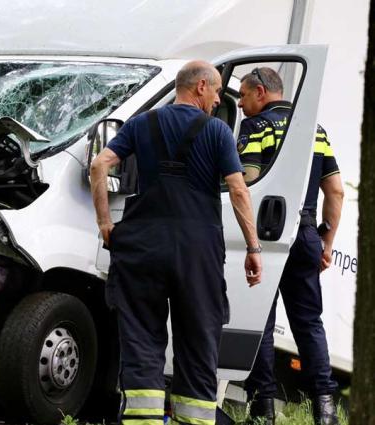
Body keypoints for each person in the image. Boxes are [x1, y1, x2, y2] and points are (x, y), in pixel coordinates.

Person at [90, 60, 262, 425]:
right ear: (200, 86)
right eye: (216, 91)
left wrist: (106, 223)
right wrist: (253, 248)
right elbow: (237, 190)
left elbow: (99, 166)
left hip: (141, 249)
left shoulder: (141, 123)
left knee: (141, 342)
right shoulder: (216, 132)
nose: (217, 101)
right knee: (198, 345)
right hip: (196, 254)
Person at [237, 67, 343, 425]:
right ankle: (325, 410)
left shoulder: (256, 128)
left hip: (267, 233)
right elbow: (336, 191)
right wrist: (326, 240)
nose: (240, 105)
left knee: (262, 323)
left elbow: (248, 182)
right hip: (307, 232)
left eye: (244, 95)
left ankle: (263, 408)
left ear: (262, 92)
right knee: (309, 323)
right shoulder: (316, 130)